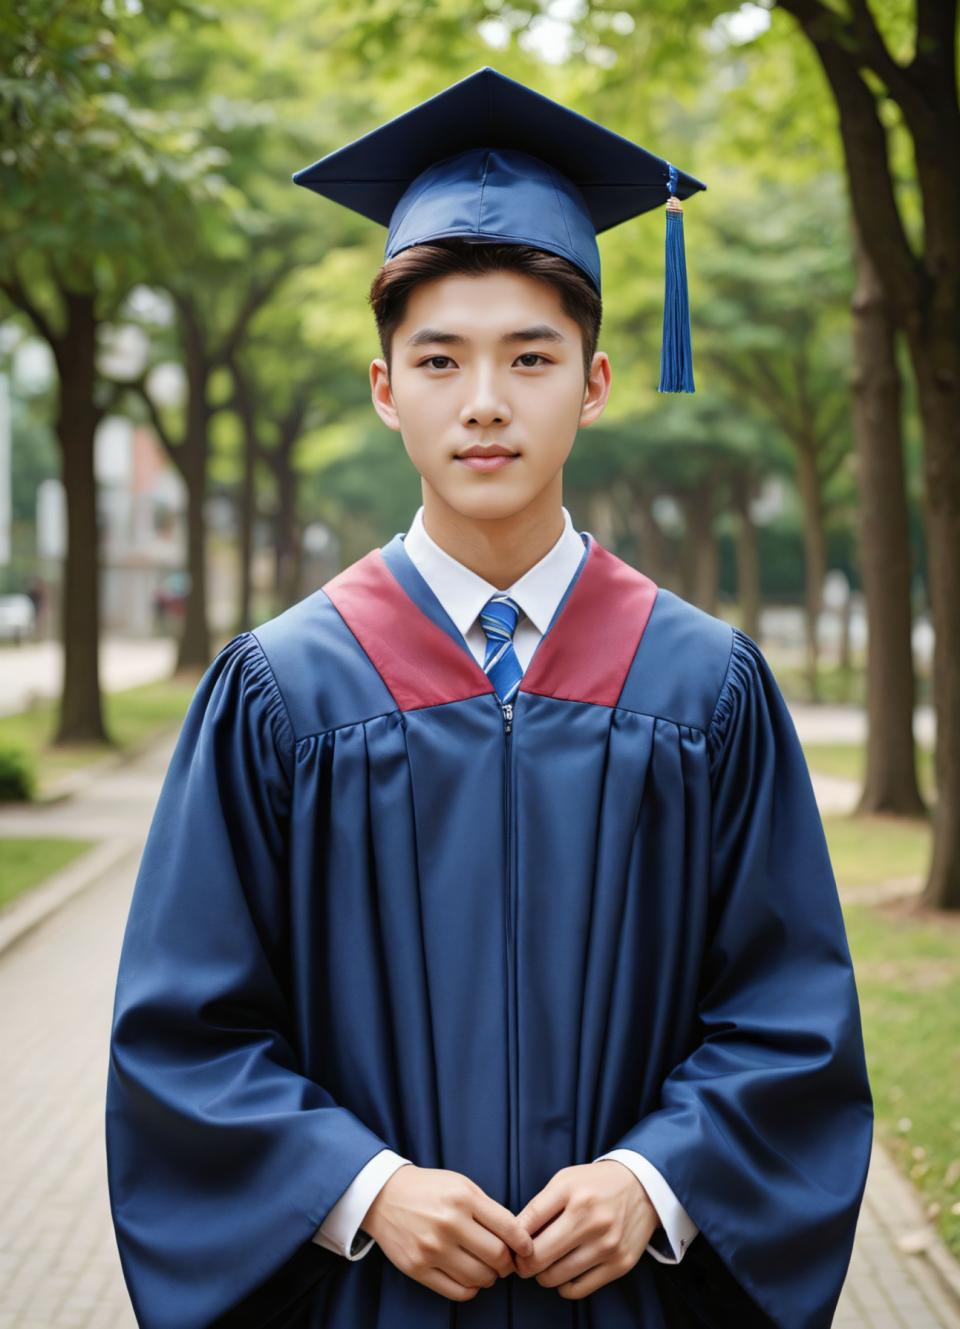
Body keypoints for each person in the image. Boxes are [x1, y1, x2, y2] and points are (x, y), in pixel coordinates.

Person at [105, 66, 873, 1329]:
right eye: (440, 359)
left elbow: (790, 1021)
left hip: (628, 1305)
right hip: (371, 1301)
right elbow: (187, 1038)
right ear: (384, 388)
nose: (483, 403)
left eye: (530, 357)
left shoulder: (704, 686)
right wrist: (358, 1188)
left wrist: (657, 1179)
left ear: (598, 381)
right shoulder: (283, 691)